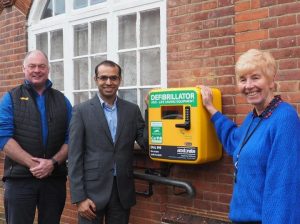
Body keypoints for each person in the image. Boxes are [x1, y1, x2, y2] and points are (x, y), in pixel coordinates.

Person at [200, 49, 300, 223]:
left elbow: (283, 187)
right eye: (242, 80)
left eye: (255, 77)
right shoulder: (254, 117)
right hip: (240, 219)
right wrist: (211, 108)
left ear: (271, 80)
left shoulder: (284, 118)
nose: (248, 86)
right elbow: (235, 142)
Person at [68, 60, 147, 224]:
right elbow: (74, 157)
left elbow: (146, 143)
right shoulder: (81, 111)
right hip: (91, 193)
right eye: (103, 78)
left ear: (120, 80)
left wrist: (153, 110)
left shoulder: (132, 110)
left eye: (113, 78)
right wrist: (79, 198)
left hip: (122, 191)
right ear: (95, 79)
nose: (108, 82)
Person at [0, 50, 72, 224]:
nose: (37, 70)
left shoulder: (62, 100)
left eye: (42, 66)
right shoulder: (10, 98)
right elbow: (3, 137)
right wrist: (34, 165)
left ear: (48, 70)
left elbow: (72, 138)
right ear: (24, 69)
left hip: (53, 179)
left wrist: (52, 163)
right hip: (20, 180)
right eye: (32, 66)